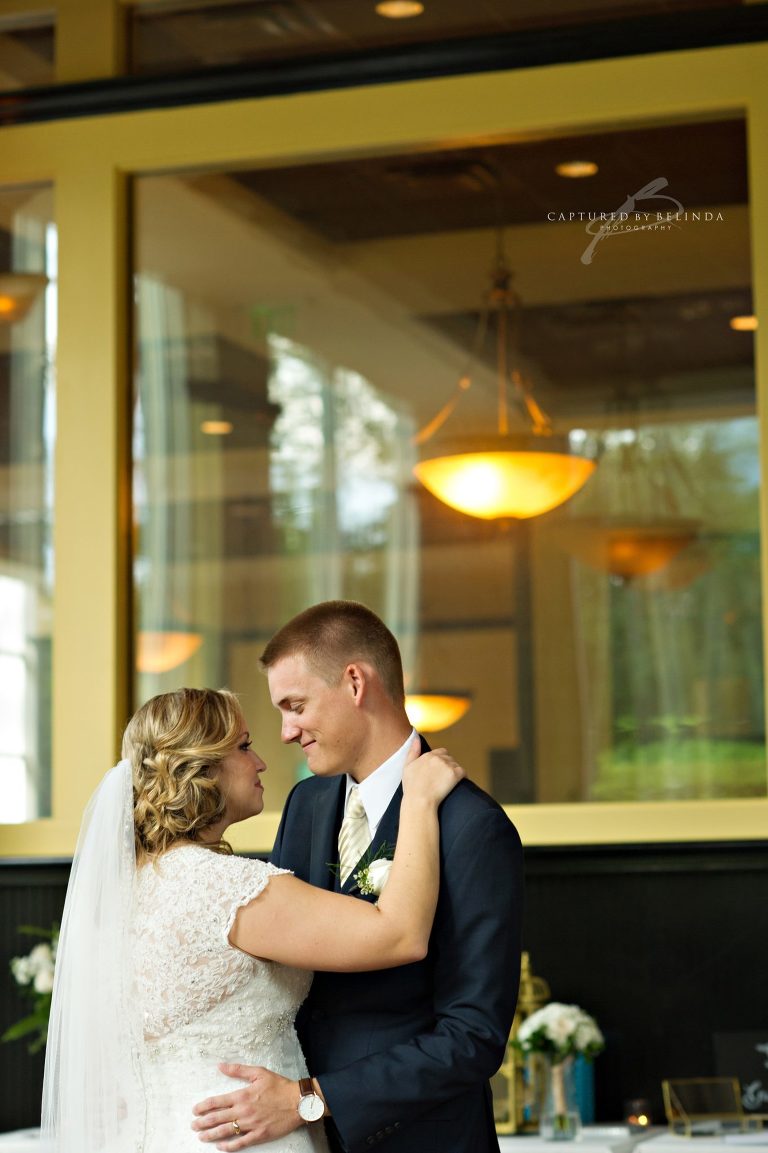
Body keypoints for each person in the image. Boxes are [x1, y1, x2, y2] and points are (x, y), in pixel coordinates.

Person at [41, 687, 464, 1153]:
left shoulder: (128, 889)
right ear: (201, 768)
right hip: (246, 1140)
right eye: (243, 747)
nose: (260, 762)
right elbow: (400, 935)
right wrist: (419, 801)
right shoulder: (225, 889)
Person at [192, 601, 524, 1153]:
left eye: (296, 706)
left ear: (354, 683)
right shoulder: (305, 803)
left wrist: (312, 1098)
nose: (286, 732)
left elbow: (472, 1037)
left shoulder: (472, 826)